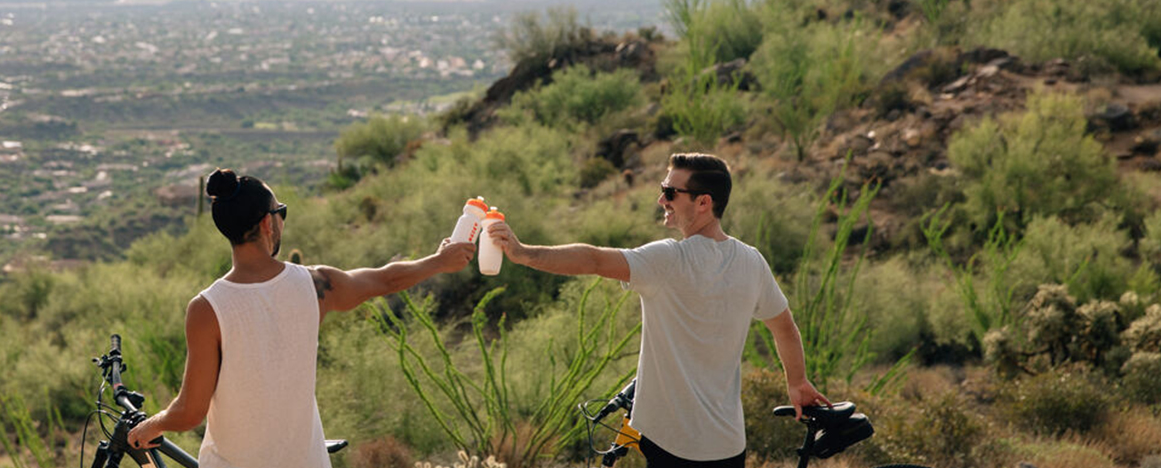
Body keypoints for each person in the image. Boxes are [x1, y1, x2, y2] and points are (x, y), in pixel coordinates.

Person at [483, 152, 829, 468]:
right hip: (728, 446)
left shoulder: (668, 259)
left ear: (704, 202)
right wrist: (796, 382)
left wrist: (523, 252)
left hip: (672, 445)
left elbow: (593, 259)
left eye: (670, 192)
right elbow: (784, 326)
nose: (661, 199)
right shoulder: (752, 262)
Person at [126, 168, 476, 467]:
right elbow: (385, 280)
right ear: (267, 224)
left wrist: (148, 427)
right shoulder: (314, 284)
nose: (281, 220)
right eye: (281, 212)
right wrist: (440, 261)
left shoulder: (206, 309)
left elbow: (189, 412)